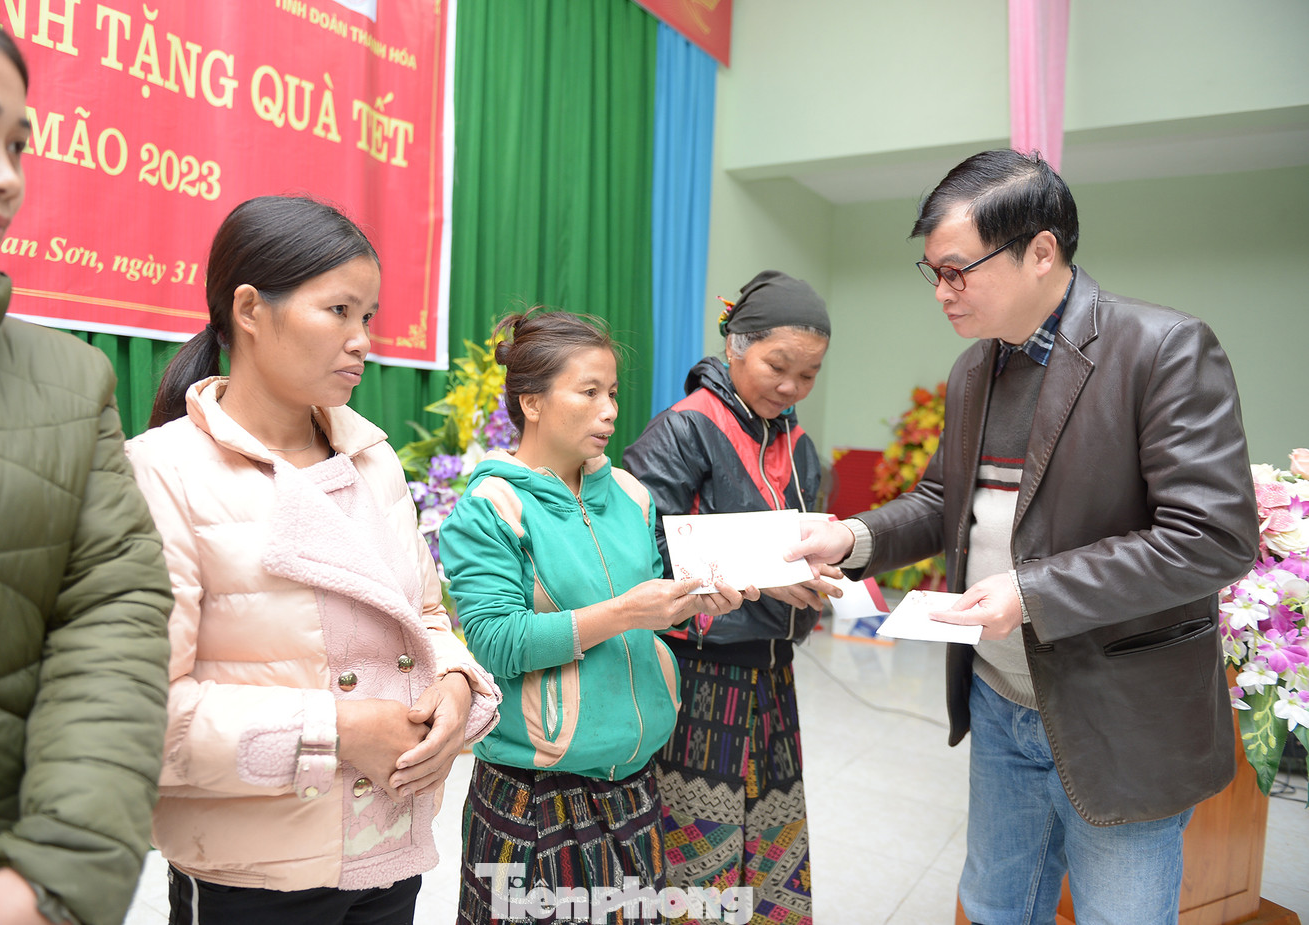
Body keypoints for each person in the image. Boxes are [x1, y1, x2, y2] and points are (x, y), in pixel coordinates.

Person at [788, 150, 1259, 925]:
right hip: (1000, 694)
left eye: (958, 270)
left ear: (1042, 251)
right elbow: (946, 499)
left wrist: (1032, 592)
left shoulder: (1162, 349)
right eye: (932, 271)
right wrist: (851, 536)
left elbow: (1210, 536)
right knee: (996, 905)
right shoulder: (976, 369)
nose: (942, 292)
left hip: (1117, 713)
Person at [127, 195, 500, 925]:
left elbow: (424, 614)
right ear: (249, 309)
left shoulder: (374, 458)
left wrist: (454, 681)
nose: (363, 340)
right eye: (339, 311)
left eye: (369, 316)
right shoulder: (161, 472)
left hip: (389, 850)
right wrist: (342, 728)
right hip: (254, 875)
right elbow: (147, 714)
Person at [0, 3, 174, 923]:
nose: (6, 179)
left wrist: (52, 872)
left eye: (18, 144)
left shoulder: (68, 379)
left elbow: (115, 608)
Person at [439, 310, 753, 924]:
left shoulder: (632, 497)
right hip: (534, 795)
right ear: (531, 401)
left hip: (632, 783)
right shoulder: (491, 508)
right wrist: (621, 612)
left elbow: (648, 617)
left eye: (612, 393)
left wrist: (691, 602)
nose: (610, 410)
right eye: (588, 392)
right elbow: (497, 643)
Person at [622, 270, 836, 922]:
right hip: (699, 678)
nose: (792, 387)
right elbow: (637, 548)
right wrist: (766, 571)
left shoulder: (799, 446)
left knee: (768, 844)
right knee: (698, 849)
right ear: (737, 344)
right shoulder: (686, 429)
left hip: (771, 676)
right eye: (779, 365)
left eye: (808, 374)